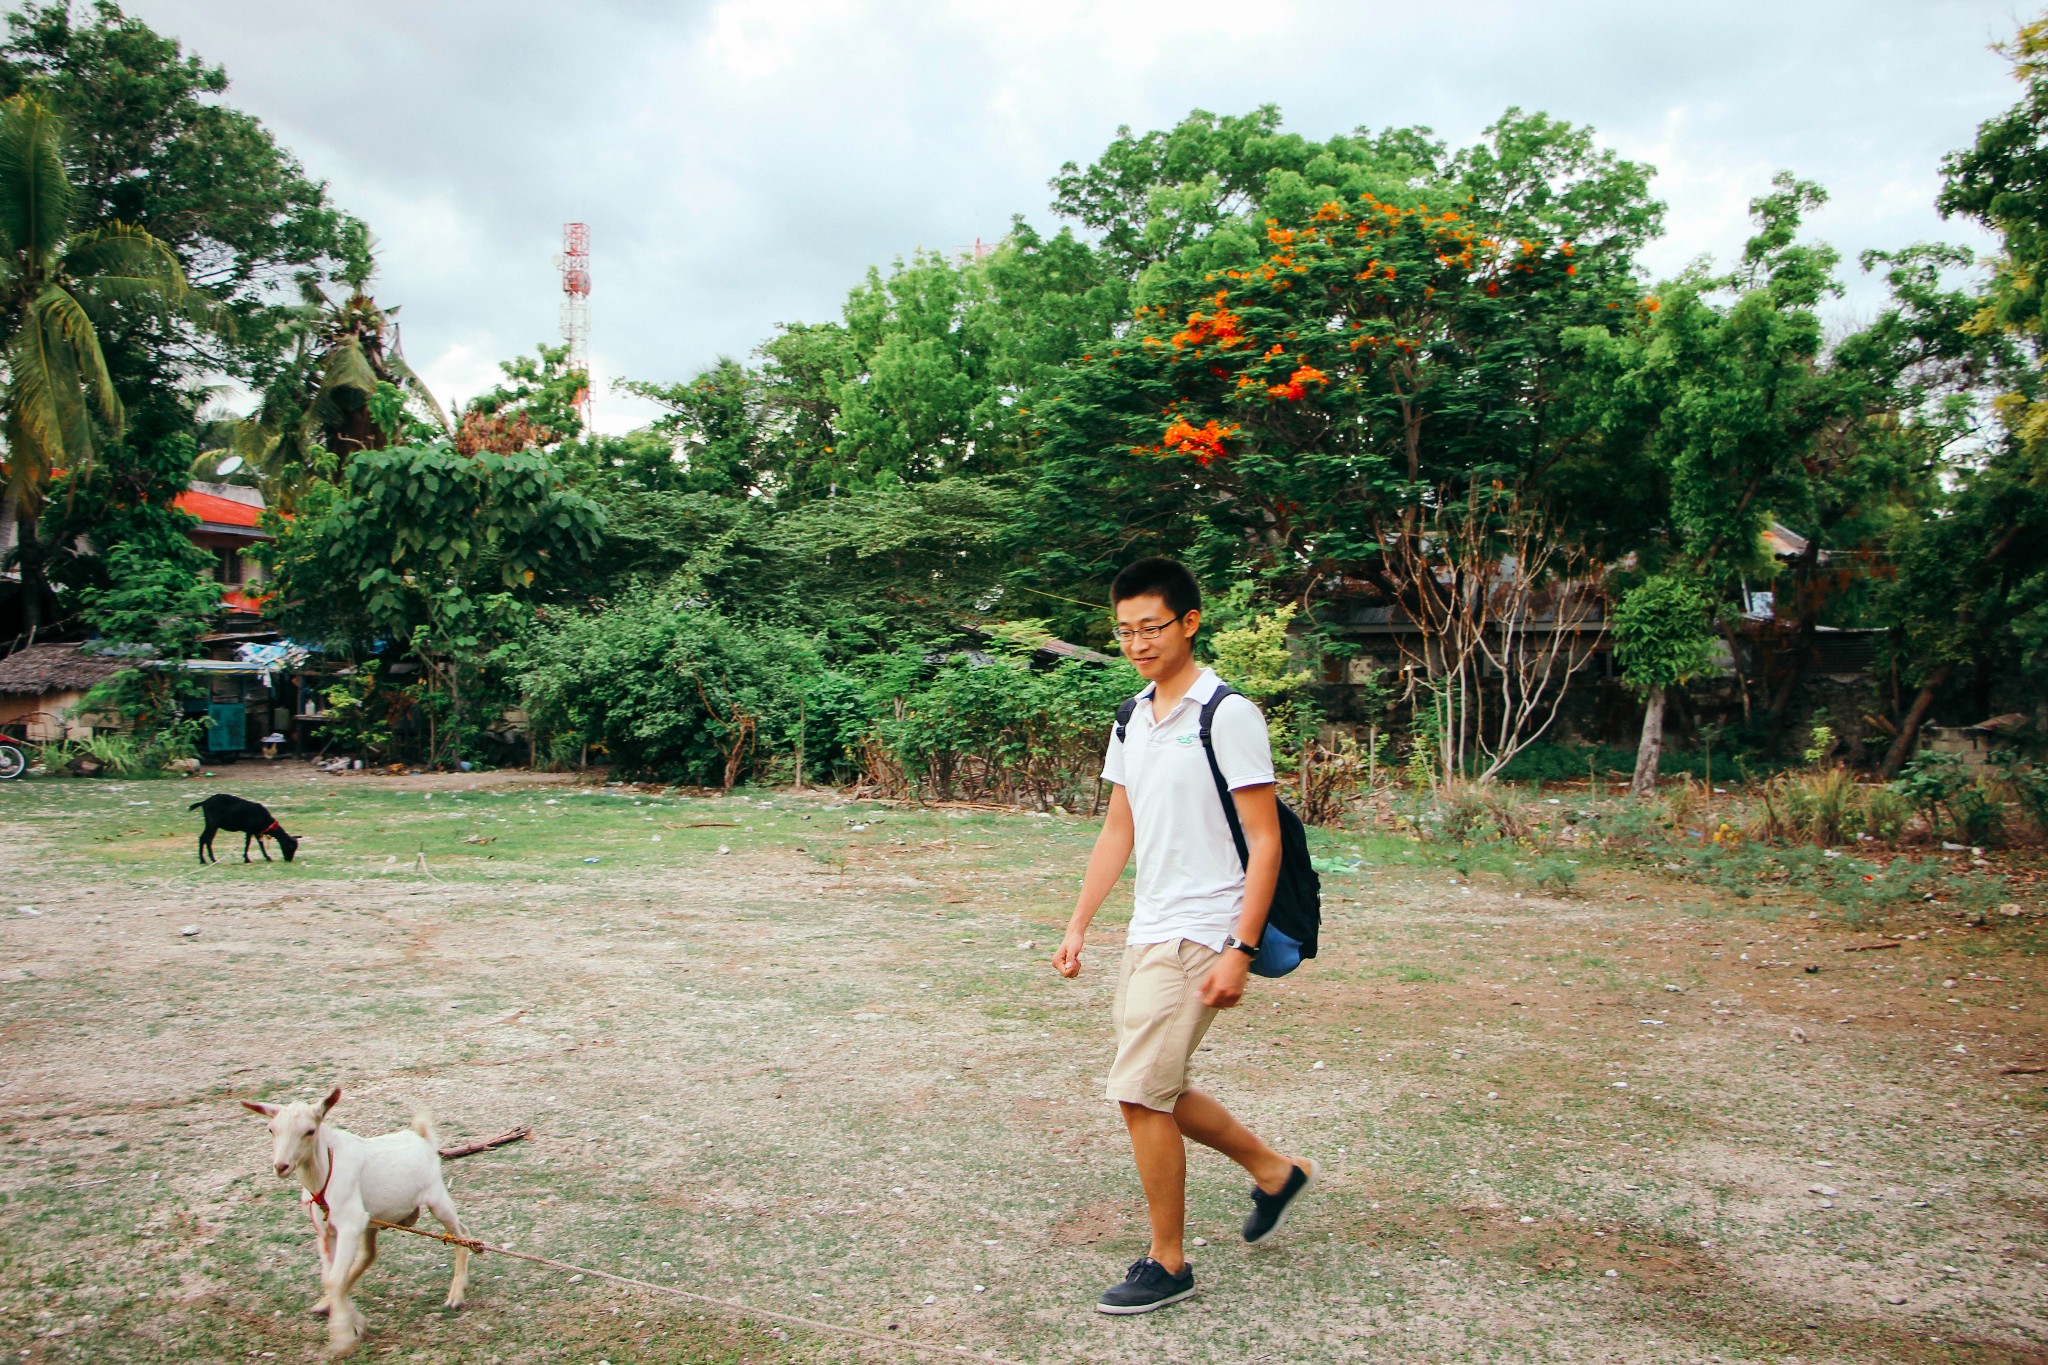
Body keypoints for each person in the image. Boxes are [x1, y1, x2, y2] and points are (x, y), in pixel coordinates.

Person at [1053, 557, 1317, 1315]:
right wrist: (1078, 924)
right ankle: (1274, 1170)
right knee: (1154, 1085)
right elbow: (1118, 828)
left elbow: (1264, 841)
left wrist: (1239, 947)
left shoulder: (1226, 712)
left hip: (1206, 926)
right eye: (1125, 629)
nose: (1137, 642)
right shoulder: (1133, 714)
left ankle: (1168, 1261)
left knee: (1139, 1090)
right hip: (1149, 928)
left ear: (1189, 622)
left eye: (1152, 627)